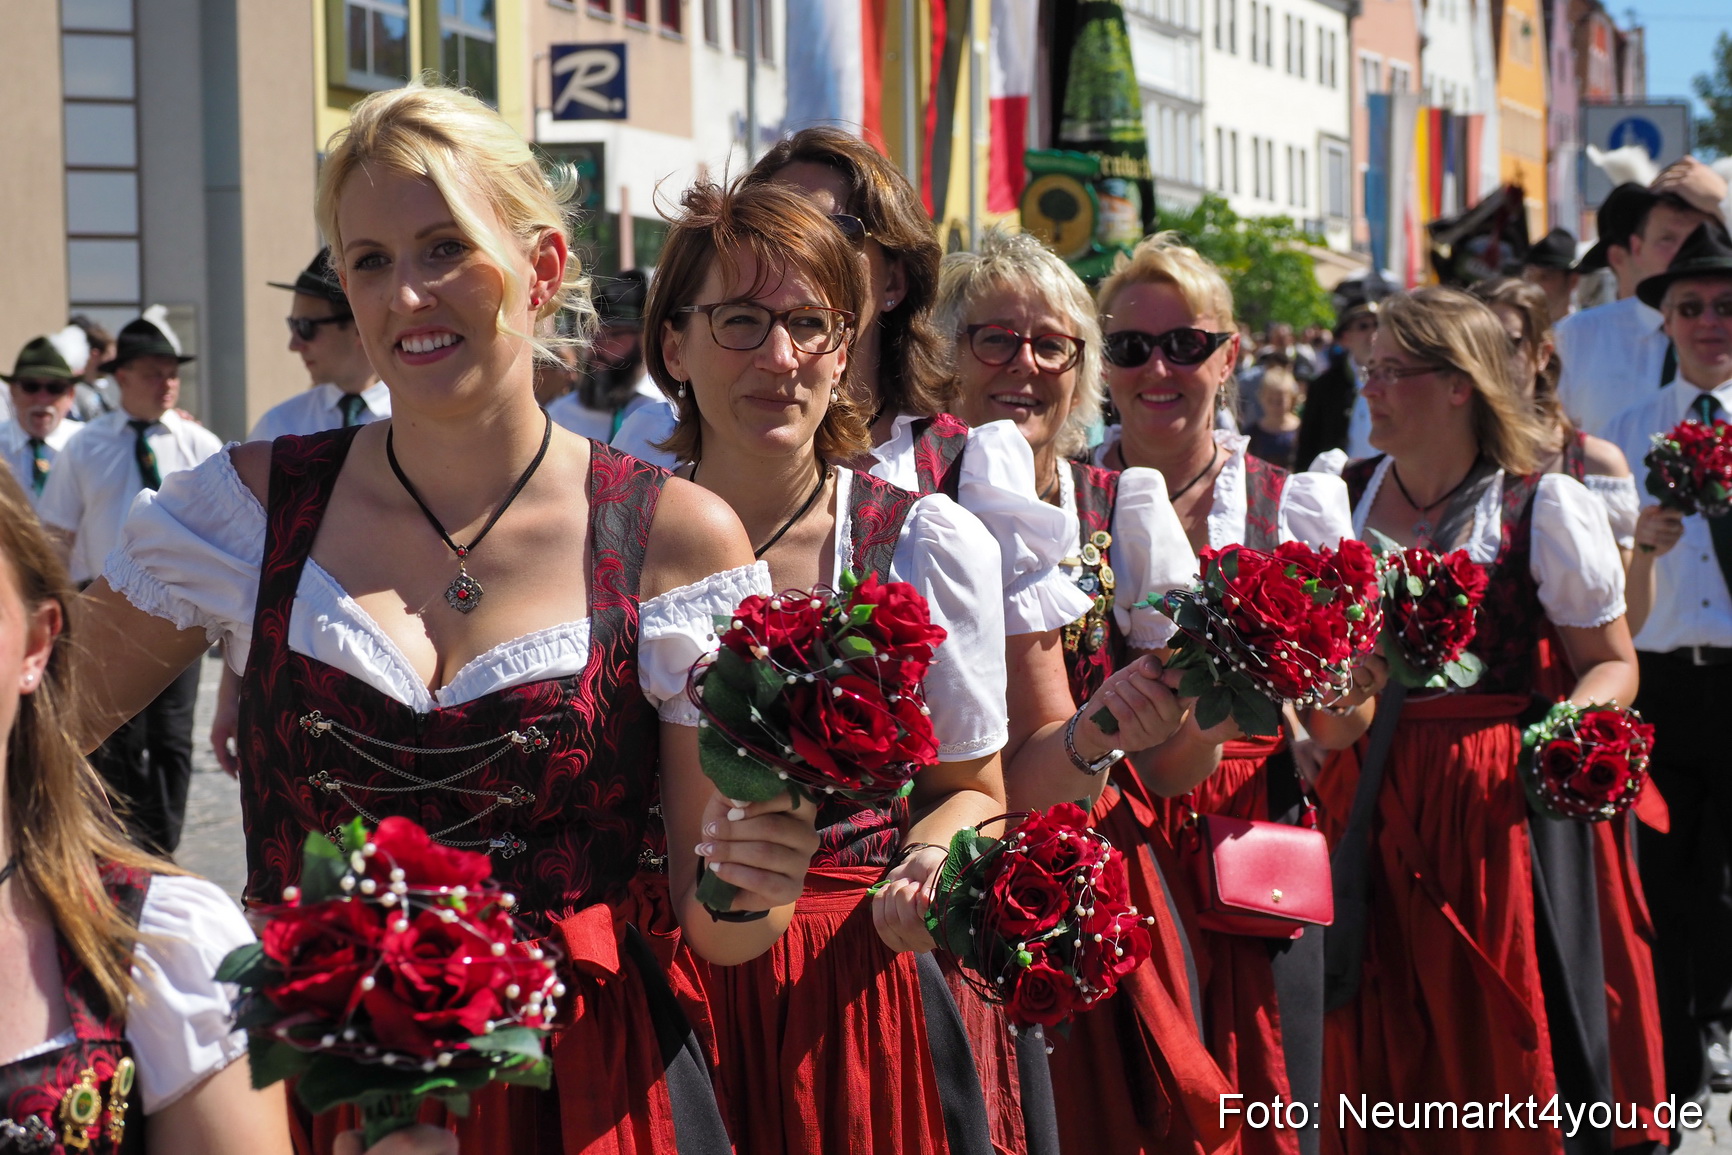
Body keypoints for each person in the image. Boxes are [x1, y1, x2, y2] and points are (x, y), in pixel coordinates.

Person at [71, 83, 816, 1154]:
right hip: (316, 1095)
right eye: (368, 260)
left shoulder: (673, 538)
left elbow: (725, 928)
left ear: (542, 266)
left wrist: (762, 875)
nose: (406, 295)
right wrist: (135, 925)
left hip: (585, 1093)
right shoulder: (242, 512)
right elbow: (35, 732)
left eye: (444, 247)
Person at [935, 225, 1238, 1155]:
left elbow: (1187, 767)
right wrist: (1091, 737)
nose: (1023, 364)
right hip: (947, 871)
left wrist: (1169, 712)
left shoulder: (1119, 503)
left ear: (1083, 366)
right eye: (994, 337)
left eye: (1052, 344)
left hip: (1101, 873)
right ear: (944, 355)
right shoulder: (896, 501)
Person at [1314, 287, 1636, 1155]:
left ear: (1460, 384)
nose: (1370, 388)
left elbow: (1612, 661)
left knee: (1487, 1022)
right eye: (1366, 369)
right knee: (1370, 1021)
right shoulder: (1337, 494)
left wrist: (1557, 737)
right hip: (1359, 794)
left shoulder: (1541, 504)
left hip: (1487, 810)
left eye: (1392, 371)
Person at [1091, 232, 1365, 1155]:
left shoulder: (1289, 500)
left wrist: (1326, 676)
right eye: (1130, 346)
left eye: (1187, 345)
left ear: (1231, 355)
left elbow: (1346, 714)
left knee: (1262, 1091)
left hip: (1249, 819)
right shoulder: (1059, 493)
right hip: (1096, 817)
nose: (1157, 368)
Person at [1471, 274, 1669, 1150]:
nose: (1494, 359)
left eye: (1509, 341)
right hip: (1474, 732)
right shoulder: (1441, 467)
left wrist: (1568, 732)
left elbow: (1628, 627)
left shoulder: (1590, 463)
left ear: (1542, 351)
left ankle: (1602, 1110)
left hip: (1565, 724)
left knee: (1587, 937)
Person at [1600, 221, 1732, 1119]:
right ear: (1668, 322)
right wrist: (1640, 544)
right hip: (1657, 679)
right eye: (1691, 307)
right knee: (1666, 870)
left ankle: (1718, 1016)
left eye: (1726, 307)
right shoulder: (1625, 432)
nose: (1710, 322)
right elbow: (1605, 596)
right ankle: (1682, 1051)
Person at [38, 315, 221, 858]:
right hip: (104, 606)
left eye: (172, 372)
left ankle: (159, 856)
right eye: (152, 372)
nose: (166, 382)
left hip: (184, 614)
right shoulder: (85, 447)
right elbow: (56, 535)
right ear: (121, 377)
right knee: (110, 734)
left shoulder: (201, 445)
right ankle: (118, 852)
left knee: (170, 740)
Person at [1556, 159, 1729, 436]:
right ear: (1637, 248)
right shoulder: (1579, 335)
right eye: (1667, 239)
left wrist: (1724, 202)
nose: (1685, 253)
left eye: (1698, 238)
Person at [249, 249, 392, 442]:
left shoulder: (419, 420)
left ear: (359, 327)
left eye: (305, 327)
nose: (294, 345)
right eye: (293, 324)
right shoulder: (279, 425)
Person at [546, 270, 669, 441]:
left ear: (646, 339)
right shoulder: (561, 416)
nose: (595, 346)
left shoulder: (671, 412)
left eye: (614, 334)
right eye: (592, 333)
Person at [1294, 287, 1382, 472]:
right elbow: (1308, 445)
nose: (1373, 332)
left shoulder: (1398, 379)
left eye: (1377, 324)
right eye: (1363, 326)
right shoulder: (1324, 386)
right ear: (1345, 338)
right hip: (1340, 487)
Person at [0, 330, 86, 504]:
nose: (42, 398)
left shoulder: (88, 444)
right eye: (31, 386)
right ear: (13, 391)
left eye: (55, 388)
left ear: (70, 395)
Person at [1520, 227, 1580, 325]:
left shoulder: (1586, 331)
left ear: (1573, 281)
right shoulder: (1519, 333)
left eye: (1545, 277)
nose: (1534, 286)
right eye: (1529, 276)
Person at [1247, 364, 1301, 470]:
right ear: (1261, 398)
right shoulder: (1253, 433)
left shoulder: (1301, 430)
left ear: (1292, 399)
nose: (1275, 406)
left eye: (1280, 401)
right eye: (1270, 400)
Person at [68, 314, 118, 421]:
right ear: (95, 354)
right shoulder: (74, 392)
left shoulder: (98, 390)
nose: (113, 363)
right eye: (109, 356)